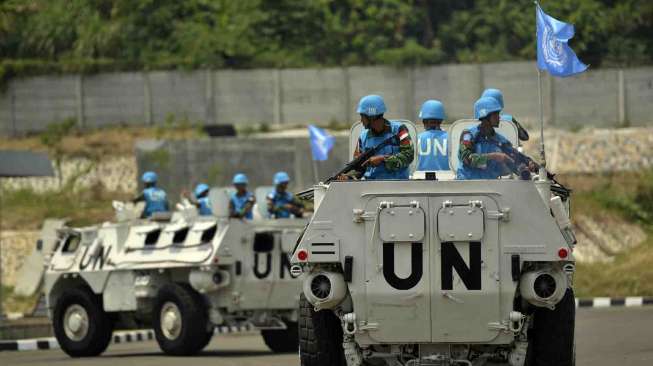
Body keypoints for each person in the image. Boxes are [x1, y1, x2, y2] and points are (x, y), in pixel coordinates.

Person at [342, 94, 414, 180]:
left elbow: (408, 156)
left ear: (371, 117)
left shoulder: (399, 130)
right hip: (372, 189)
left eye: (362, 116)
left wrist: (383, 160)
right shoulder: (363, 137)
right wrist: (348, 177)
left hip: (398, 186)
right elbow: (359, 167)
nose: (361, 120)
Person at [456, 97, 520, 180]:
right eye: (495, 114)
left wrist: (527, 165)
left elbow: (515, 159)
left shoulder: (500, 140)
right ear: (485, 116)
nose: (499, 117)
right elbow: (467, 159)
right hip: (468, 185)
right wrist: (493, 156)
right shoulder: (468, 135)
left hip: (491, 189)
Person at [416, 99, 449, 171]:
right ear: (441, 120)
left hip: (420, 179)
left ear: (424, 121)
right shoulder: (451, 138)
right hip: (446, 179)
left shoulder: (417, 138)